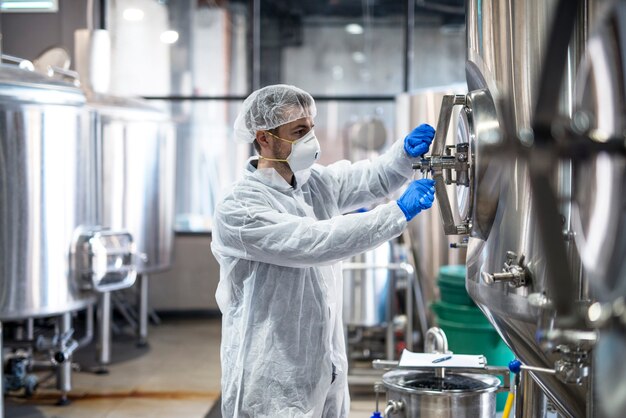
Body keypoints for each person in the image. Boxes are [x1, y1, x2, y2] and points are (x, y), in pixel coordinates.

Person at [211, 84, 436, 418]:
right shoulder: (239, 207)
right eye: (298, 131)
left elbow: (366, 179)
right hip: (272, 373)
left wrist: (402, 156)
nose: (310, 140)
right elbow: (315, 241)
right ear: (264, 138)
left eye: (310, 129)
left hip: (324, 361)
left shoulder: (312, 183)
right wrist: (396, 212)